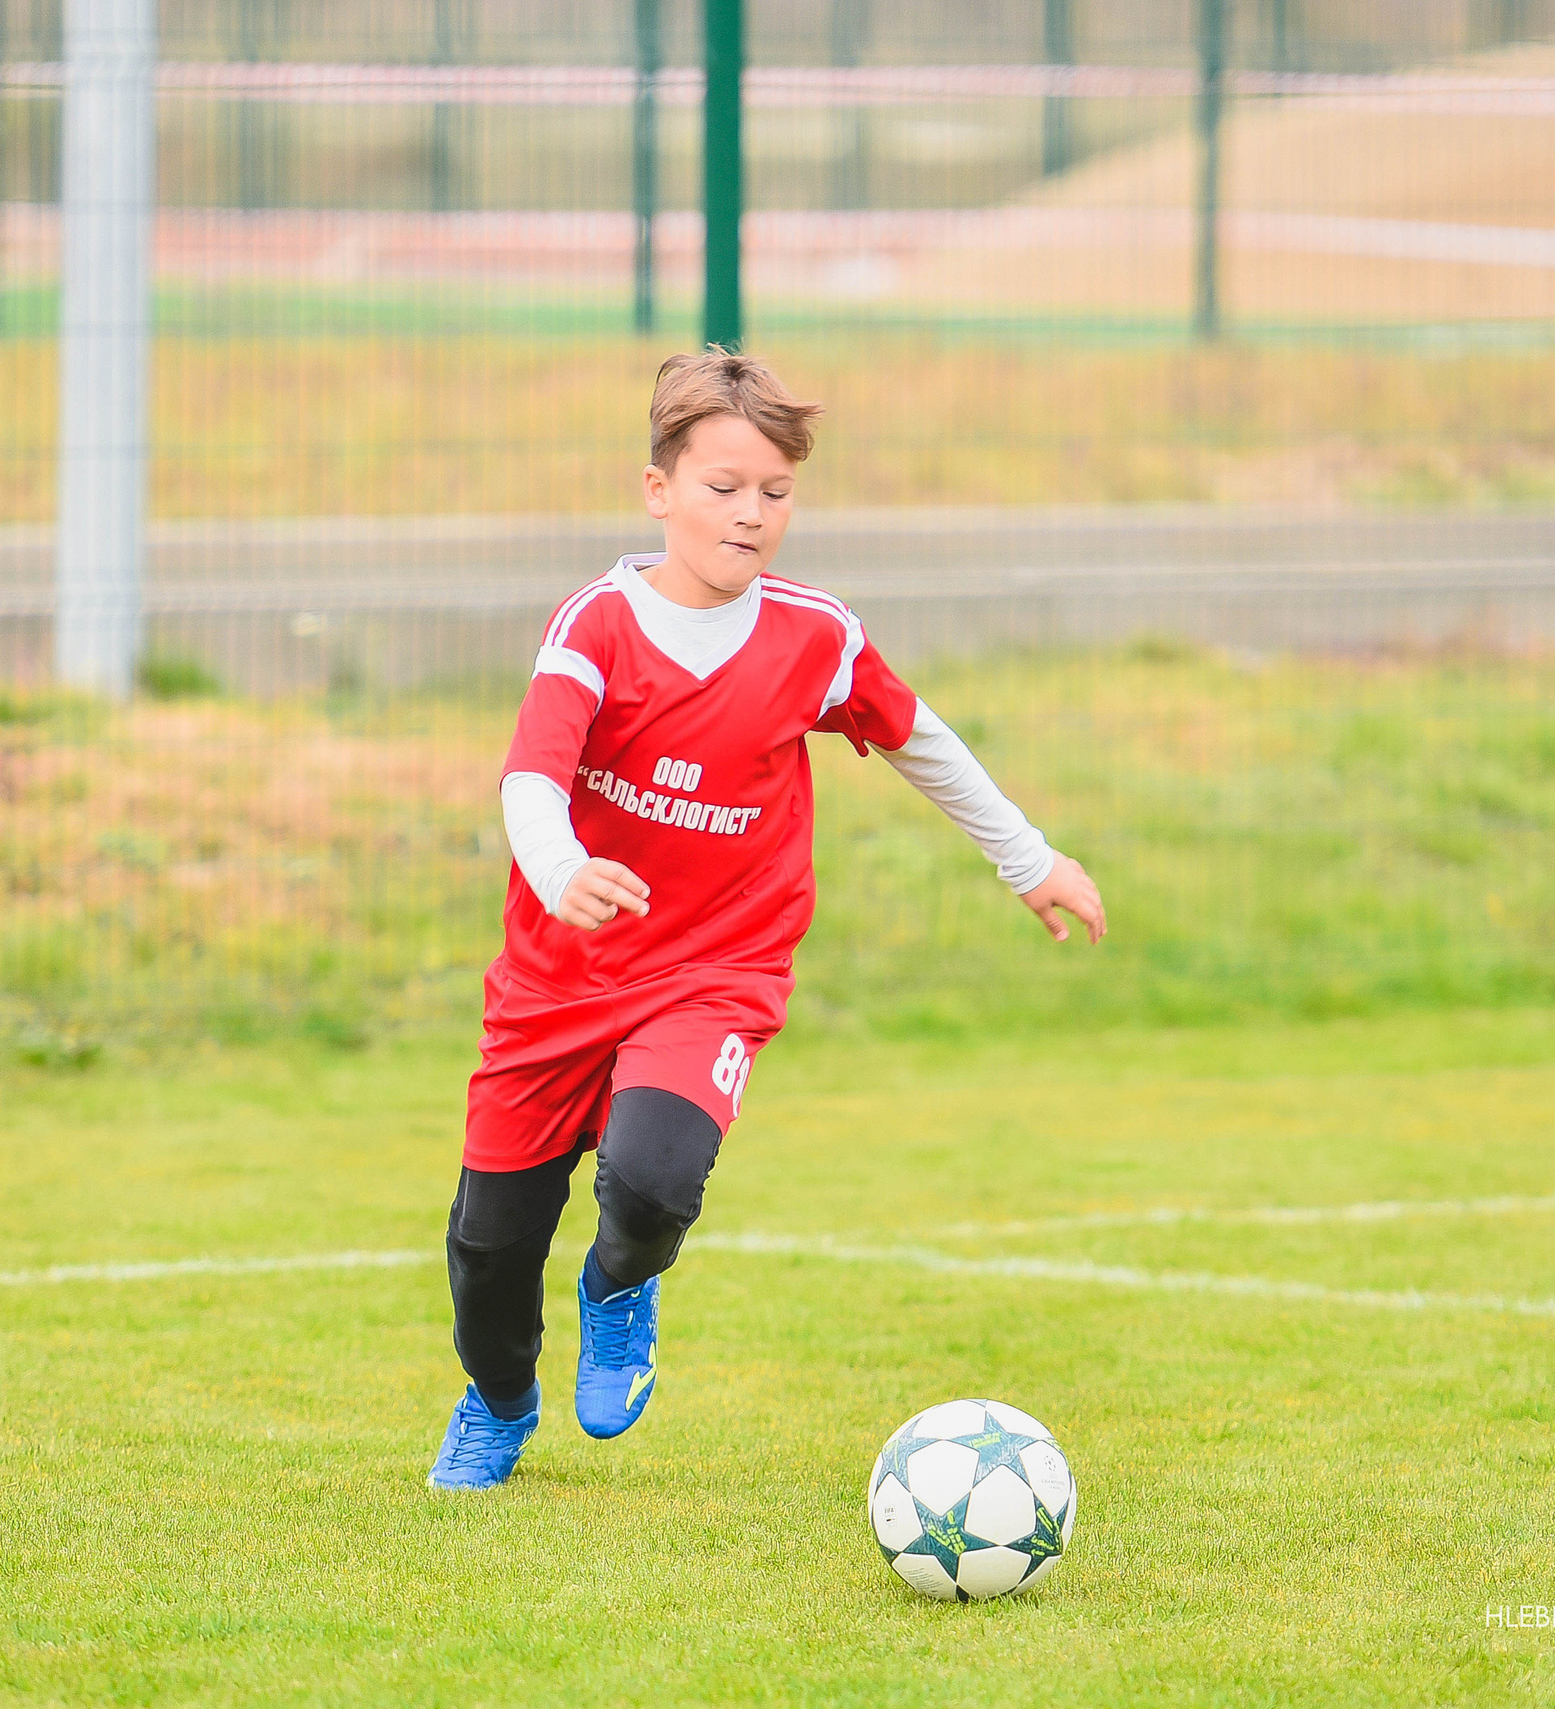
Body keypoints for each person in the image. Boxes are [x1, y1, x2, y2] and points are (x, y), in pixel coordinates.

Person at [429, 351, 1104, 1490]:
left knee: (649, 1182)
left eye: (775, 493)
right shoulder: (595, 624)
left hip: (712, 971)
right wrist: (559, 866)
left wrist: (1027, 858)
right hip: (557, 980)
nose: (750, 513)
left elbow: (917, 738)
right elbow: (531, 776)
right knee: (487, 1254)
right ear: (658, 490)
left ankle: (617, 1288)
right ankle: (499, 1402)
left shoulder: (814, 635)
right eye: (722, 486)